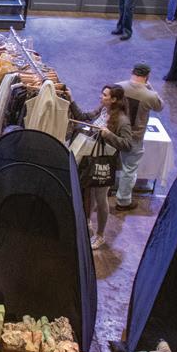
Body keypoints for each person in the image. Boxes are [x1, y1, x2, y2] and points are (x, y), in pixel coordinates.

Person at [69, 85, 134, 250]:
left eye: (105, 95)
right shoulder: (103, 110)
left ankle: (100, 235)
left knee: (101, 198)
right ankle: (87, 222)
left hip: (104, 163)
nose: (101, 97)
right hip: (92, 159)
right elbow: (84, 117)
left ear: (114, 99)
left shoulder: (122, 120)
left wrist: (109, 135)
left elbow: (128, 145)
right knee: (90, 193)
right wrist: (71, 99)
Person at [113, 63, 164, 211]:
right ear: (147, 76)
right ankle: (123, 201)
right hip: (134, 138)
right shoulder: (150, 95)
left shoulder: (118, 87)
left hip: (115, 133)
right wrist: (150, 88)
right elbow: (160, 106)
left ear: (132, 72)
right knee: (129, 170)